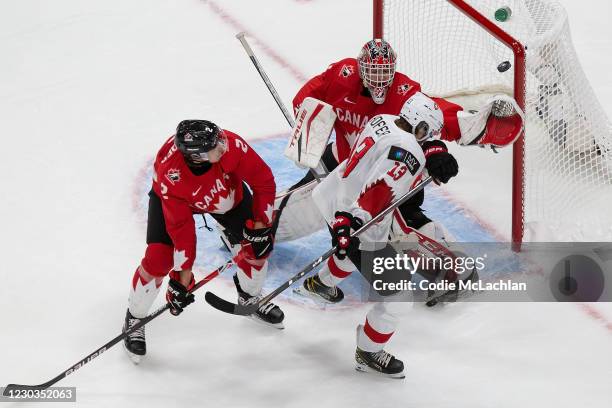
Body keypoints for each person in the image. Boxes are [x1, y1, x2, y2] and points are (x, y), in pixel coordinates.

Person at [298, 102, 465, 378]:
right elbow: (377, 192)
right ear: (419, 127)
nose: (427, 139)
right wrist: (351, 223)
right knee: (399, 296)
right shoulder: (407, 153)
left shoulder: (384, 119)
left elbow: (392, 154)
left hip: (332, 196)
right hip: (358, 221)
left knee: (349, 254)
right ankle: (368, 352)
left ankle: (320, 284)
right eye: (427, 133)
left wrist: (433, 153)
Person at [122, 119, 283, 363]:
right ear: (197, 155)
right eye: (214, 145)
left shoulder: (232, 145)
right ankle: (134, 317)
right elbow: (181, 228)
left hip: (224, 196)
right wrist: (181, 278)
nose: (223, 145)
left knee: (257, 249)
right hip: (176, 200)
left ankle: (249, 297)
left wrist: (261, 226)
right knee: (159, 259)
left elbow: (264, 180)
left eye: (219, 138)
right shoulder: (169, 172)